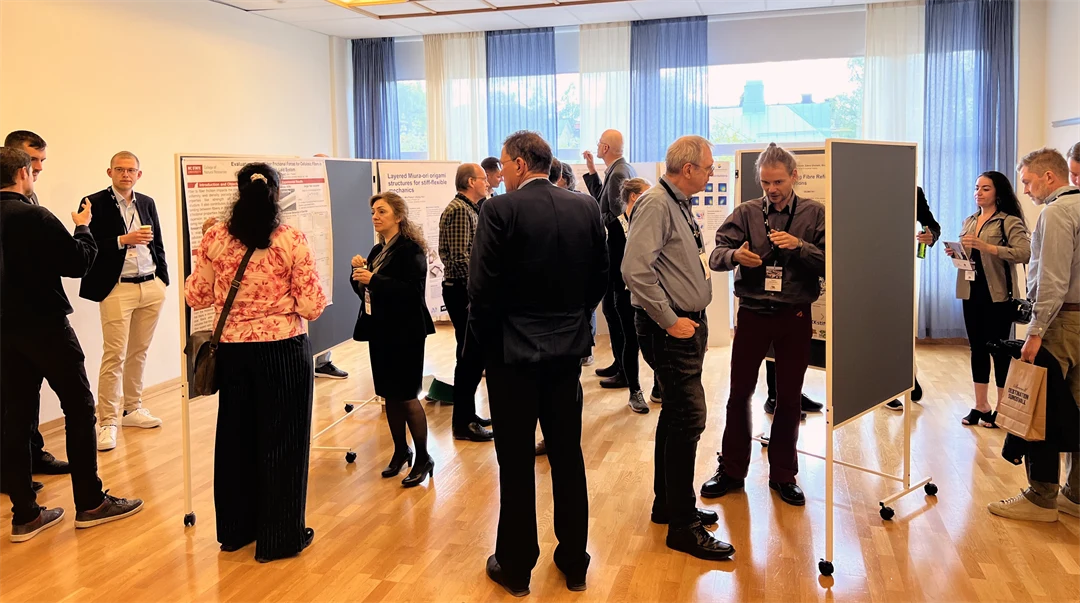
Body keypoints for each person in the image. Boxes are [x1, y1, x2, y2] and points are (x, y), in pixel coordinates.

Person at [472, 131, 607, 595]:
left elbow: (481, 291)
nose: (500, 173)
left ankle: (515, 567)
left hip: (512, 357)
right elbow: (599, 279)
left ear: (520, 163)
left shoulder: (498, 210)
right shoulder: (584, 207)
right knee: (568, 457)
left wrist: (488, 351)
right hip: (567, 352)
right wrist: (575, 321)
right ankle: (574, 562)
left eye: (504, 165)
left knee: (515, 463)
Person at [184, 163, 327, 561]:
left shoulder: (215, 237)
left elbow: (195, 295)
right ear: (277, 194)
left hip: (232, 349)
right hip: (282, 349)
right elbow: (313, 306)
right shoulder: (291, 239)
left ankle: (235, 531)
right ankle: (279, 538)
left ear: (238, 192)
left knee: (235, 437)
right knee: (283, 441)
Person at [0, 147, 143, 542]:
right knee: (80, 409)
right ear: (23, 173)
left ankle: (25, 515)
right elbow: (78, 263)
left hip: (4, 330)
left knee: (16, 417)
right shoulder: (34, 215)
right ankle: (91, 503)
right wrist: (82, 227)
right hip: (44, 326)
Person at [623, 135, 734, 561]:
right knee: (689, 417)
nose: (710, 174)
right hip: (669, 330)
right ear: (687, 169)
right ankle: (682, 527)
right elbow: (634, 271)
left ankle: (668, 504)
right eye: (707, 168)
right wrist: (671, 320)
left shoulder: (675, 202)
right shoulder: (656, 203)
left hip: (685, 325)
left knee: (674, 415)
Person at [702, 143, 825, 509]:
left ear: (794, 177)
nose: (771, 189)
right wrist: (735, 255)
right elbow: (716, 254)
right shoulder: (746, 212)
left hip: (795, 316)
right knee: (739, 393)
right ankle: (732, 470)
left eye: (778, 182)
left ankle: (784, 475)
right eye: (766, 182)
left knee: (789, 399)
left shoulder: (814, 214)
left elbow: (830, 262)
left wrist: (800, 247)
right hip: (753, 314)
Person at [988, 148, 1080, 522]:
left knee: (1039, 402)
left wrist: (1035, 331)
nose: (1024, 189)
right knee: (1074, 409)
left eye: (1027, 181)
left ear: (1049, 177)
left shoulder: (1057, 213)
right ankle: (1075, 494)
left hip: (1061, 323)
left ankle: (1042, 496)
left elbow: (1052, 280)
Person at [76, 152, 168, 452]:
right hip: (117, 288)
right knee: (114, 354)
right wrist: (121, 240)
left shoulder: (147, 202)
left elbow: (158, 243)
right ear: (109, 172)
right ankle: (107, 422)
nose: (126, 174)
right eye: (120, 169)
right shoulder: (92, 202)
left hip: (150, 285)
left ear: (139, 174)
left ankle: (132, 409)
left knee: (139, 352)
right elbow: (84, 245)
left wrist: (162, 279)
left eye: (131, 170)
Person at [352, 192, 436, 487]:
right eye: (373, 211)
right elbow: (367, 295)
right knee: (389, 394)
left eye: (382, 211)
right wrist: (357, 275)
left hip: (406, 332)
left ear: (398, 216)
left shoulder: (411, 250)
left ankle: (424, 456)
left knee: (407, 395)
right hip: (382, 330)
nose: (375, 216)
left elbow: (411, 293)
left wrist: (373, 279)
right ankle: (401, 450)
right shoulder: (378, 250)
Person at [0, 131, 69, 494]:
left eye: (42, 161)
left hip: (25, 315)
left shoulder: (28, 198)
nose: (38, 168)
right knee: (13, 401)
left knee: (27, 396)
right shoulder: (16, 203)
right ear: (16, 163)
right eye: (33, 161)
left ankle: (32, 457)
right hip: (19, 316)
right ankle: (12, 476)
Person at [945, 172, 1030, 428]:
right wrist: (955, 253)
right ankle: (981, 405)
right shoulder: (969, 220)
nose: (978, 193)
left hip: (999, 296)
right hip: (971, 293)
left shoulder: (1008, 222)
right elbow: (968, 257)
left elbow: (1024, 253)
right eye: (976, 188)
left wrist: (988, 247)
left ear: (998, 192)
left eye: (985, 188)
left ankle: (1003, 410)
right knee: (977, 349)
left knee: (999, 350)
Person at [439, 163, 493, 442]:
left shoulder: (469, 209)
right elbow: (460, 260)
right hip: (463, 291)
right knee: (469, 357)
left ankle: (468, 414)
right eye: (484, 179)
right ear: (471, 181)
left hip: (464, 289)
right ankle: (463, 422)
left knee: (470, 356)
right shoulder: (460, 211)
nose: (488, 183)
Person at [583, 130, 638, 388]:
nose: (596, 146)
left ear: (605, 147)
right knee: (612, 309)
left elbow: (616, 216)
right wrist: (592, 171)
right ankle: (620, 364)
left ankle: (625, 371)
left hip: (616, 253)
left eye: (598, 144)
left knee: (616, 311)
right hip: (615, 252)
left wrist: (592, 223)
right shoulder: (619, 169)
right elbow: (602, 202)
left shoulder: (618, 173)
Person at [885, 186, 941, 410]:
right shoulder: (861, 185)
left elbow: (932, 225)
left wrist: (931, 236)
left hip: (900, 267)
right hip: (862, 264)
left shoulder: (913, 190)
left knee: (898, 327)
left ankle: (905, 378)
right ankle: (888, 384)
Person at [608, 177, 652, 414]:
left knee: (656, 340)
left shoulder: (650, 223)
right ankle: (634, 390)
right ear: (634, 196)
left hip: (651, 293)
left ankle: (659, 387)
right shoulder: (615, 227)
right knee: (631, 341)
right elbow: (614, 266)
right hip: (625, 295)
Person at [310, 155, 349, 381]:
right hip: (311, 265)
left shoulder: (336, 196)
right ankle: (315, 361)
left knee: (328, 313)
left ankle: (322, 361)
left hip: (332, 261)